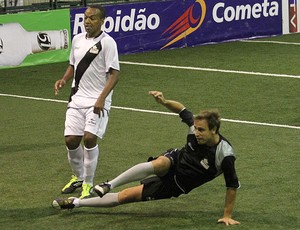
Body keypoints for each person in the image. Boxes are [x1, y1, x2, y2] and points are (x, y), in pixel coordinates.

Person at [52, 91, 240, 226]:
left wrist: (227, 215)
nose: (196, 132)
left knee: (126, 197)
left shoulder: (225, 154)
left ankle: (77, 203)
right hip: (176, 160)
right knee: (159, 163)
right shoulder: (195, 129)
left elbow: (232, 186)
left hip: (179, 184)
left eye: (201, 130)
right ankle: (110, 184)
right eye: (196, 129)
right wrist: (164, 101)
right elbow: (183, 110)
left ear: (214, 130)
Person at [54, 5, 120, 199]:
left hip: (97, 100)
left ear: (101, 21)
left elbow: (115, 75)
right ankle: (79, 177)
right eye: (85, 18)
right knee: (71, 140)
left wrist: (101, 98)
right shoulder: (77, 40)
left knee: (89, 138)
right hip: (77, 97)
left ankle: (88, 185)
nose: (87, 22)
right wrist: (64, 80)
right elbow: (73, 65)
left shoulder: (108, 43)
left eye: (92, 18)